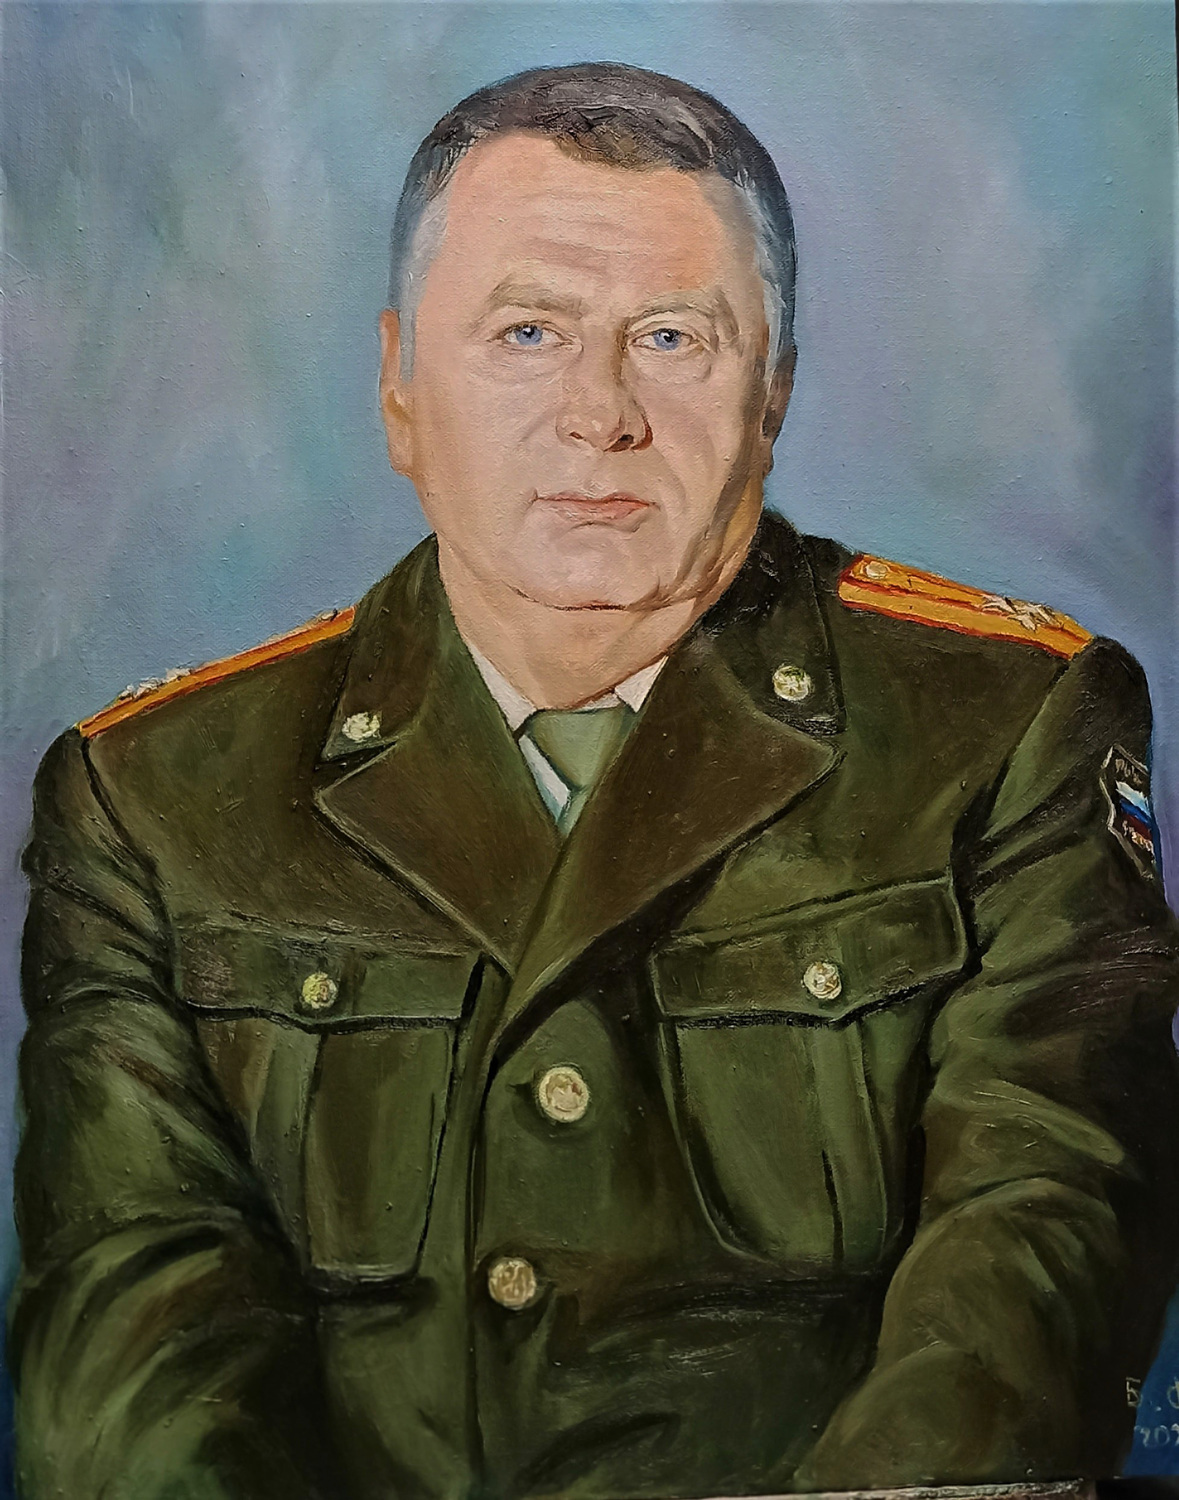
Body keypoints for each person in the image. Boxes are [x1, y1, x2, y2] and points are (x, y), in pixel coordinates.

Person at [11, 61, 1179, 1500]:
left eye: (673, 338)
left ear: (774, 391)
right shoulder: (153, 798)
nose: (600, 413)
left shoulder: (1006, 731)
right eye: (527, 332)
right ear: (398, 386)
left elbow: (1039, 1259)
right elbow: (137, 1360)